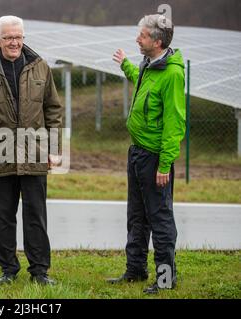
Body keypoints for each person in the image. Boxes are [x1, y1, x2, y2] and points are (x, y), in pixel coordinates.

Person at [0, 15, 63, 285]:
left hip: (35, 153)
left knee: (36, 215)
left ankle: (40, 271)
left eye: (18, 37)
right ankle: (8, 270)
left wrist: (54, 148)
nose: (14, 42)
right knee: (3, 216)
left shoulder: (40, 67)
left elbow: (53, 110)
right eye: (8, 38)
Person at [108, 14, 186, 294]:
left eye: (141, 36)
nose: (137, 39)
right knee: (137, 215)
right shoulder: (148, 65)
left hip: (155, 159)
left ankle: (166, 278)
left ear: (157, 41)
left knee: (161, 220)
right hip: (137, 154)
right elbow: (140, 83)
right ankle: (135, 270)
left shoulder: (173, 74)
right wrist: (126, 64)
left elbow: (175, 123)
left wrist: (164, 164)